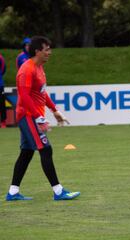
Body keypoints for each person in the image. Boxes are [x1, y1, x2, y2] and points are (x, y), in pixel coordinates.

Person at [6, 36, 80, 201]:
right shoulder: (27, 69)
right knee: (45, 149)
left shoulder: (39, 67)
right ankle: (59, 191)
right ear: (37, 51)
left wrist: (54, 110)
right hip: (28, 115)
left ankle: (12, 192)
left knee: (26, 152)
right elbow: (24, 97)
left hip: (33, 115)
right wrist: (39, 118)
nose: (49, 52)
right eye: (46, 49)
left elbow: (41, 93)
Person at [0, 52, 6, 128]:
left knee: (2, 104)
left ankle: (3, 122)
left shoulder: (0, 57)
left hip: (0, 85)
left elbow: (3, 69)